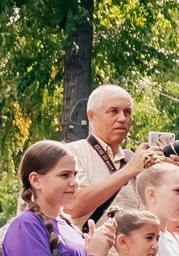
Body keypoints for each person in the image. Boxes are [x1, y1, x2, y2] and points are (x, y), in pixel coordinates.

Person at [66, 86, 155, 222]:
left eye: (127, 112)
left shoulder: (133, 163)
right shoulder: (71, 153)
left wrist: (171, 174)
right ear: (92, 116)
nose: (122, 118)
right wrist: (128, 171)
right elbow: (72, 206)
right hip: (87, 243)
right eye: (113, 111)